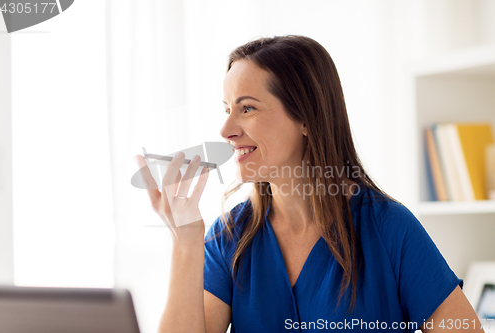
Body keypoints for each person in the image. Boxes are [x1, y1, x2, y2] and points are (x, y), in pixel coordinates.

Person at [134, 35, 484, 333]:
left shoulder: (388, 228)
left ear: (306, 117)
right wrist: (186, 241)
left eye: (247, 109)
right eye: (226, 109)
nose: (226, 130)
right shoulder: (230, 238)